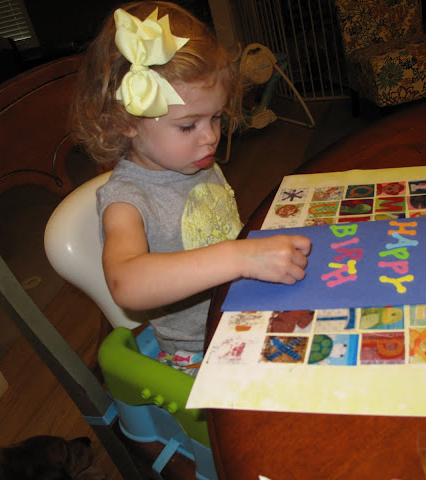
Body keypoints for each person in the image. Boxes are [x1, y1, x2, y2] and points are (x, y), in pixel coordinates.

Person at [72, 2, 311, 375]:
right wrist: (239, 257)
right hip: (202, 354)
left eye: (215, 117)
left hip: (243, 311)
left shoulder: (195, 161)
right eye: (188, 126)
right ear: (125, 122)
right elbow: (126, 283)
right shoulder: (126, 201)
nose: (211, 137)